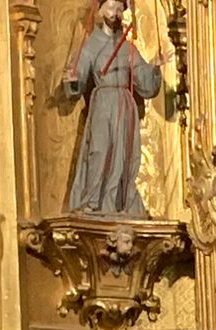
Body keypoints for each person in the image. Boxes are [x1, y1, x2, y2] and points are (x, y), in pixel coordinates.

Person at [64, 0, 163, 217]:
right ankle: (92, 200)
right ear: (100, 10)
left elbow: (145, 83)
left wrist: (154, 69)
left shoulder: (128, 48)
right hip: (102, 101)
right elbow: (78, 81)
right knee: (99, 150)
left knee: (123, 153)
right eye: (110, 7)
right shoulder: (91, 45)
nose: (115, 13)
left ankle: (119, 200)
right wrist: (72, 81)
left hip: (124, 104)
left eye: (119, 9)